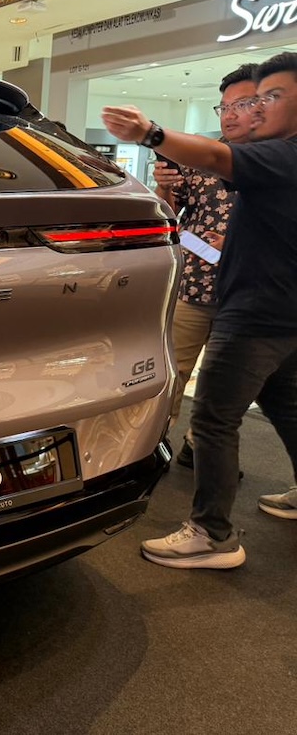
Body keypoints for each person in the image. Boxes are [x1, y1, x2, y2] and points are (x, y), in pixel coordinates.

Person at [101, 51, 297, 570]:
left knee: (212, 419)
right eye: (235, 104)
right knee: (286, 408)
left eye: (269, 98)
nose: (251, 111)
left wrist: (149, 133)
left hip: (253, 312)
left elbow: (214, 157)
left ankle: (213, 534)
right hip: (264, 306)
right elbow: (184, 205)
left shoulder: (281, 156)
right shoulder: (266, 156)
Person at [153, 64, 257, 470]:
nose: (229, 115)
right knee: (173, 369)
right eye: (223, 106)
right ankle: (150, 444)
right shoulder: (199, 158)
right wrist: (164, 186)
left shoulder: (279, 161)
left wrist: (237, 245)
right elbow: (170, 214)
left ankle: (200, 446)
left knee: (228, 382)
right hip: (194, 285)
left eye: (241, 105)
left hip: (249, 295)